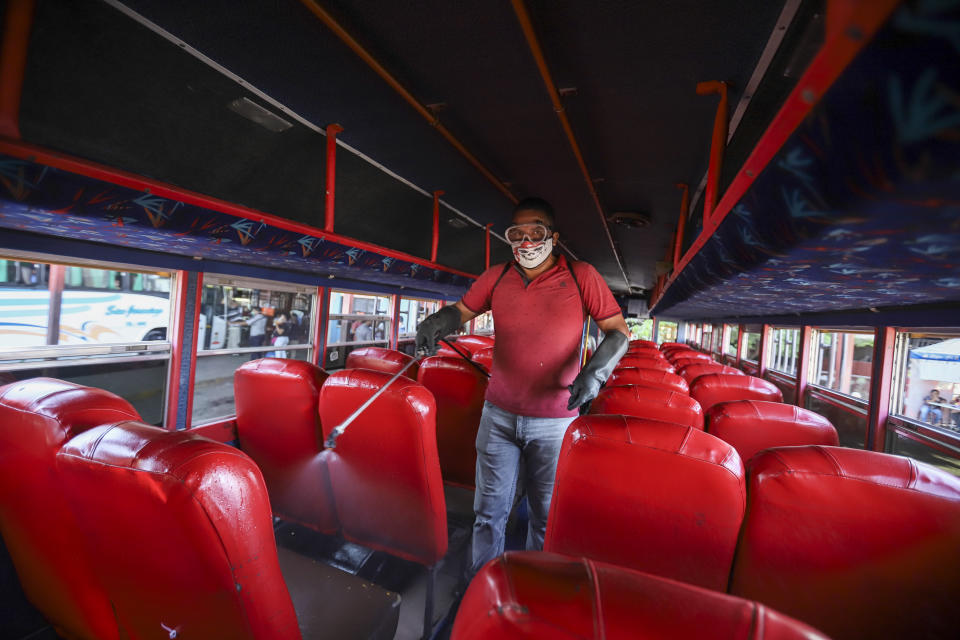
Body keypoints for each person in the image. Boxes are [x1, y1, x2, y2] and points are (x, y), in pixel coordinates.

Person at [416, 196, 629, 581]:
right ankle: (479, 584)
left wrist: (594, 373)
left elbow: (618, 333)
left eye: (537, 232)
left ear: (553, 237)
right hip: (498, 415)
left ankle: (535, 585)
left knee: (546, 515)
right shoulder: (496, 277)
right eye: (518, 234)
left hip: (555, 419)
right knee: (488, 511)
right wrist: (436, 322)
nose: (527, 242)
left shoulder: (582, 276)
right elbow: (460, 312)